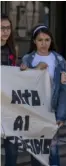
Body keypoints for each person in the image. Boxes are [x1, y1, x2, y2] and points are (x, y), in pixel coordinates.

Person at [20, 25, 66, 166]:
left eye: (47, 39)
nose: (44, 43)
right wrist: (29, 70)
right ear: (34, 41)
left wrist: (61, 115)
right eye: (40, 40)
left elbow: (64, 90)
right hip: (33, 110)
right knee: (35, 147)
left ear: (51, 41)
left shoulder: (59, 60)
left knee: (52, 148)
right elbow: (21, 85)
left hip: (52, 110)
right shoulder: (27, 59)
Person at [1, 14, 19, 166]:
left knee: (12, 149)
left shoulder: (13, 49)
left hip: (10, 106)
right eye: (2, 28)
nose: (5, 32)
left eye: (7, 28)